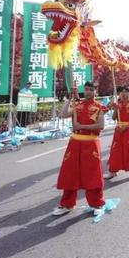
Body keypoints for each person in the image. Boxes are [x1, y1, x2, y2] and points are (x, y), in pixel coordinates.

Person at [51, 82, 107, 217]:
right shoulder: (77, 106)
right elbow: (62, 114)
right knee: (70, 174)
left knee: (92, 174)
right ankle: (67, 204)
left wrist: (81, 125)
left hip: (91, 143)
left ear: (95, 91)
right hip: (75, 143)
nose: (88, 92)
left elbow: (101, 125)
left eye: (91, 90)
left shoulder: (99, 107)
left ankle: (97, 203)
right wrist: (69, 99)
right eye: (86, 89)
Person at [105, 86, 129, 180]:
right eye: (122, 92)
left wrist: (125, 127)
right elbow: (113, 118)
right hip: (118, 130)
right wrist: (116, 109)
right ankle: (113, 171)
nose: (124, 94)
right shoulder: (118, 104)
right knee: (115, 150)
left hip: (128, 130)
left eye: (126, 92)